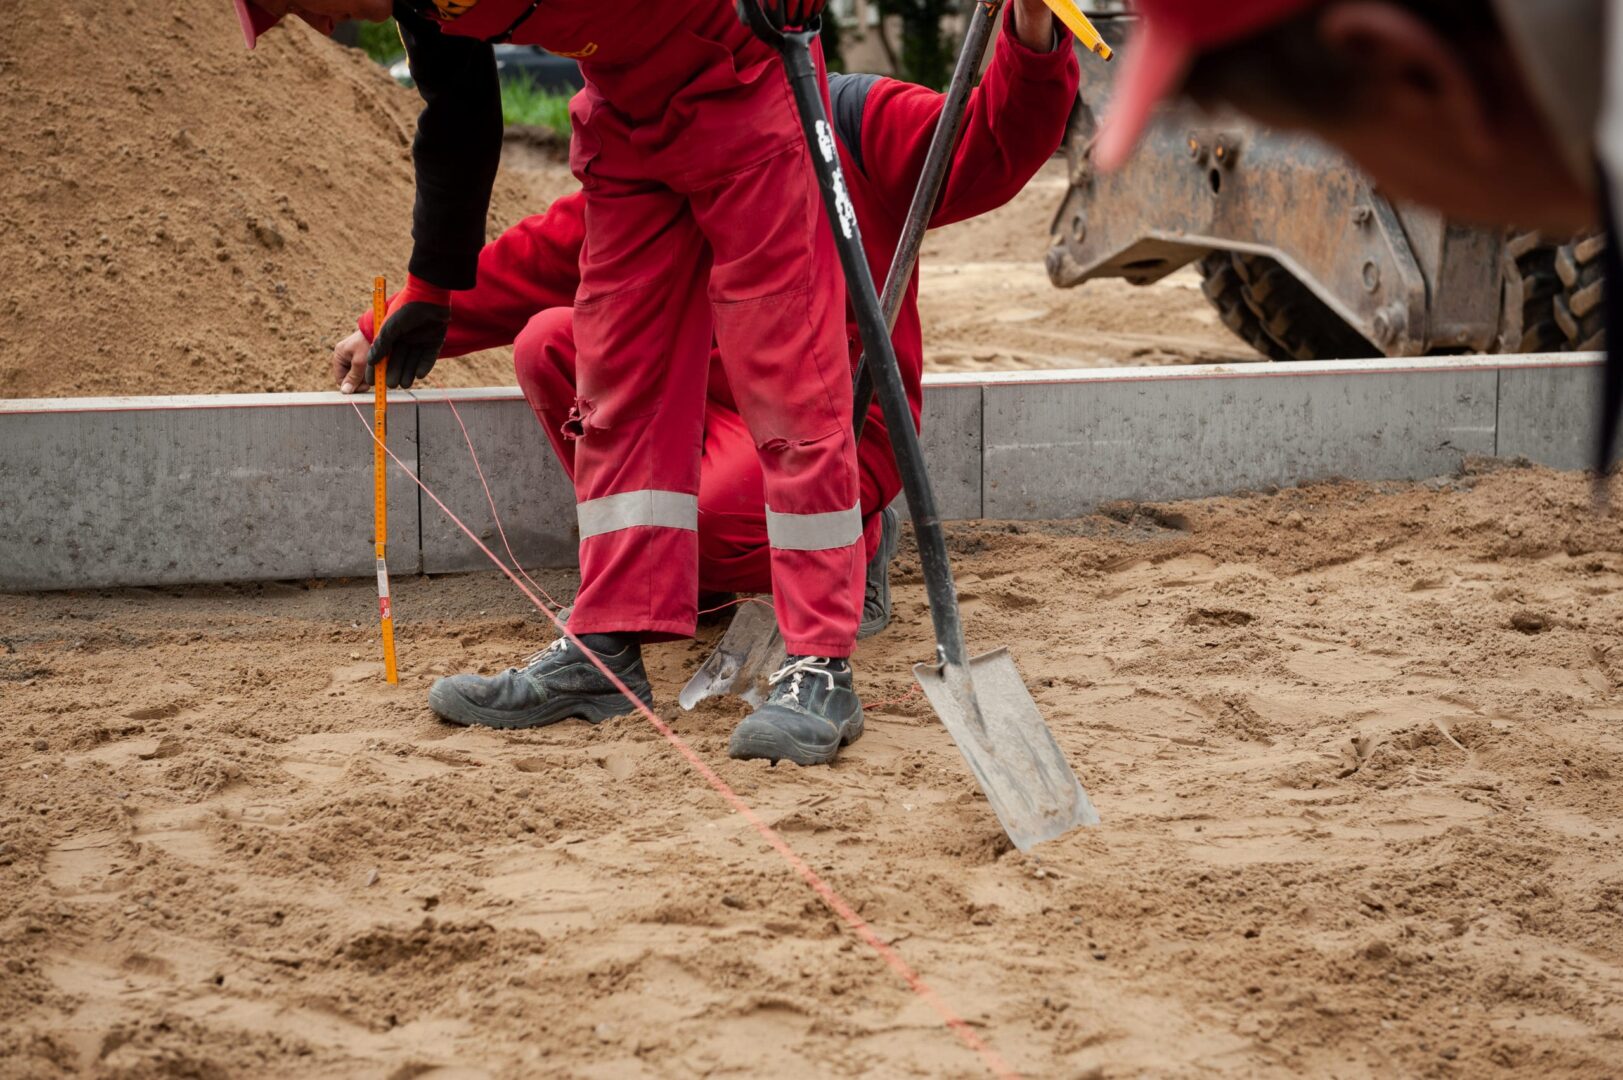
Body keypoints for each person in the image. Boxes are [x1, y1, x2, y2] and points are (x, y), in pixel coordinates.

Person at [329, 0, 1082, 762]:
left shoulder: (859, 121)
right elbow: (551, 252)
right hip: (718, 412)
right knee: (552, 342)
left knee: (719, 512)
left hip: (841, 427)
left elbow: (993, 143)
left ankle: (844, 559)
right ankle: (617, 632)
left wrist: (1030, 34)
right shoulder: (659, 138)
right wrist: (395, 320)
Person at [237, 0, 904, 760]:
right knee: (615, 378)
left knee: (785, 372)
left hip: (745, 80)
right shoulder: (420, 5)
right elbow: (458, 116)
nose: (320, 29)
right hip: (624, 113)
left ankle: (819, 661)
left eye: (299, 6)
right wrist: (428, 290)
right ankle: (605, 653)